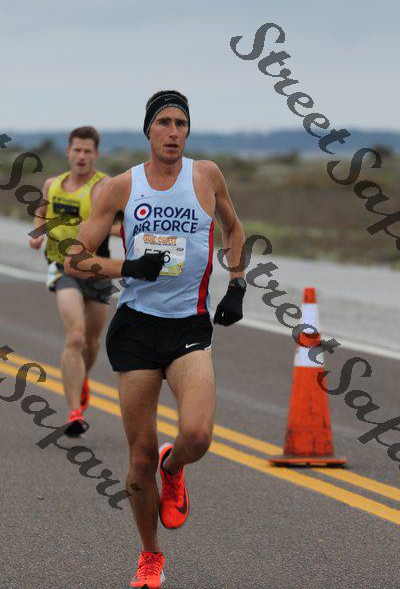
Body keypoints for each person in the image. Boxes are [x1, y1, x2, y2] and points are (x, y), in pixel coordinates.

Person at [64, 91, 246, 588]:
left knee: (197, 436)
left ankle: (175, 464)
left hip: (189, 326)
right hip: (137, 328)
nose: (172, 131)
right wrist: (127, 266)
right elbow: (75, 259)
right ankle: (150, 554)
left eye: (180, 123)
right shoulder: (121, 187)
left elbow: (234, 229)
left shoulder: (206, 176)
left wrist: (237, 285)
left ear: (188, 131)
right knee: (139, 456)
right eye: (163, 122)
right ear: (149, 130)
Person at [30, 126, 120, 436]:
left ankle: (80, 379)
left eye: (87, 151)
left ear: (96, 154)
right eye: (77, 150)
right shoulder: (52, 184)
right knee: (77, 336)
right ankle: (74, 413)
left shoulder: (106, 186)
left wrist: (98, 228)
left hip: (96, 269)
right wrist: (37, 234)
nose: (81, 156)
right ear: (68, 152)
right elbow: (42, 212)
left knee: (92, 342)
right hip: (62, 267)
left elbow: (119, 224)